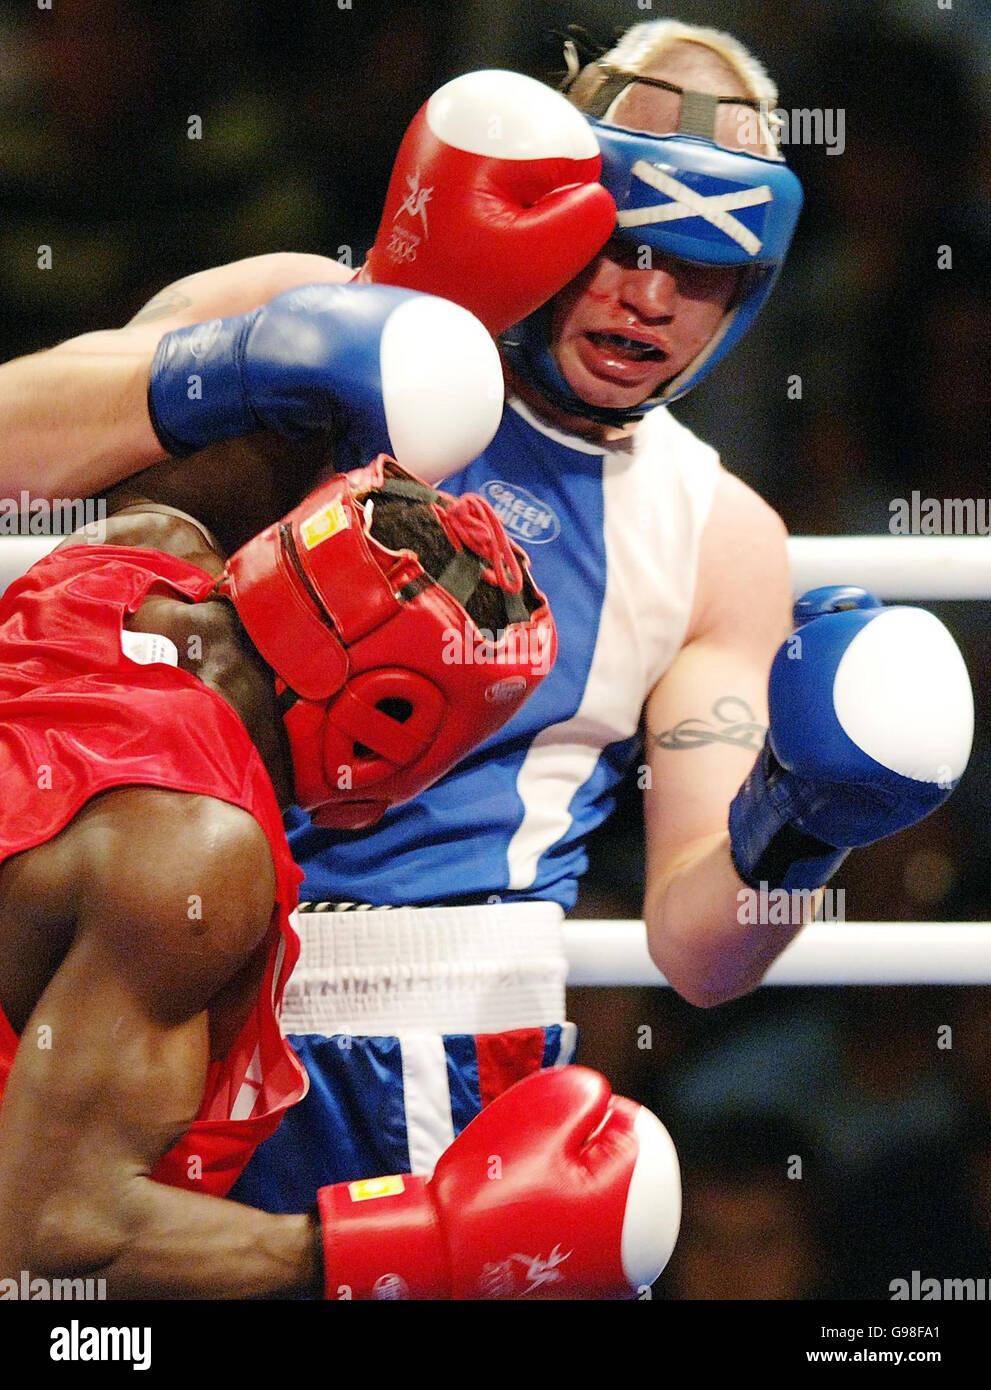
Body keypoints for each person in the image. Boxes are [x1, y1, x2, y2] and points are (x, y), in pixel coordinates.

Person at [0, 21, 972, 1228]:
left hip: (451, 1050)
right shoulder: (314, 310)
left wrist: (804, 829)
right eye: (619, 244)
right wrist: (249, 358)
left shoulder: (716, 535)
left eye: (702, 268)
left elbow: (699, 951)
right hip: (151, 984)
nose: (649, 295)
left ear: (755, 288)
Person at [0, 383, 682, 1298]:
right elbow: (46, 1239)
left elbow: (267, 407)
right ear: (384, 721)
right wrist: (420, 1245)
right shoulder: (196, 854)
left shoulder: (124, 562)